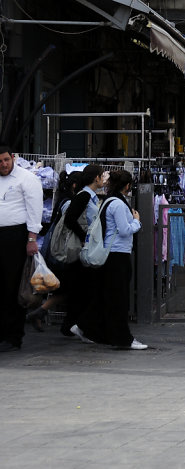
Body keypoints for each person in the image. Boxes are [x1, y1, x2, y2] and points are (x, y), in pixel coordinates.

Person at [72, 169, 147, 350]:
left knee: (106, 295)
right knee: (118, 299)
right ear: (127, 186)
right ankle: (123, 338)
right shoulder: (119, 205)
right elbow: (124, 230)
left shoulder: (106, 202)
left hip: (109, 254)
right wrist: (137, 221)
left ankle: (84, 325)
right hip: (118, 255)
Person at [47, 165, 105, 337]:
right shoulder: (85, 196)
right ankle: (78, 325)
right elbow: (71, 219)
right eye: (102, 176)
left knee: (78, 288)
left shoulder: (89, 196)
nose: (103, 179)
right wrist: (83, 236)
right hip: (81, 249)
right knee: (84, 287)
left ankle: (70, 325)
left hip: (84, 249)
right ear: (96, 178)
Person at [0, 145, 43, 352]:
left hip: (15, 236)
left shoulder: (27, 178)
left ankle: (13, 336)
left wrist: (31, 238)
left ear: (13, 158)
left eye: (6, 160)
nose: (3, 164)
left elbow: (35, 208)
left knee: (12, 286)